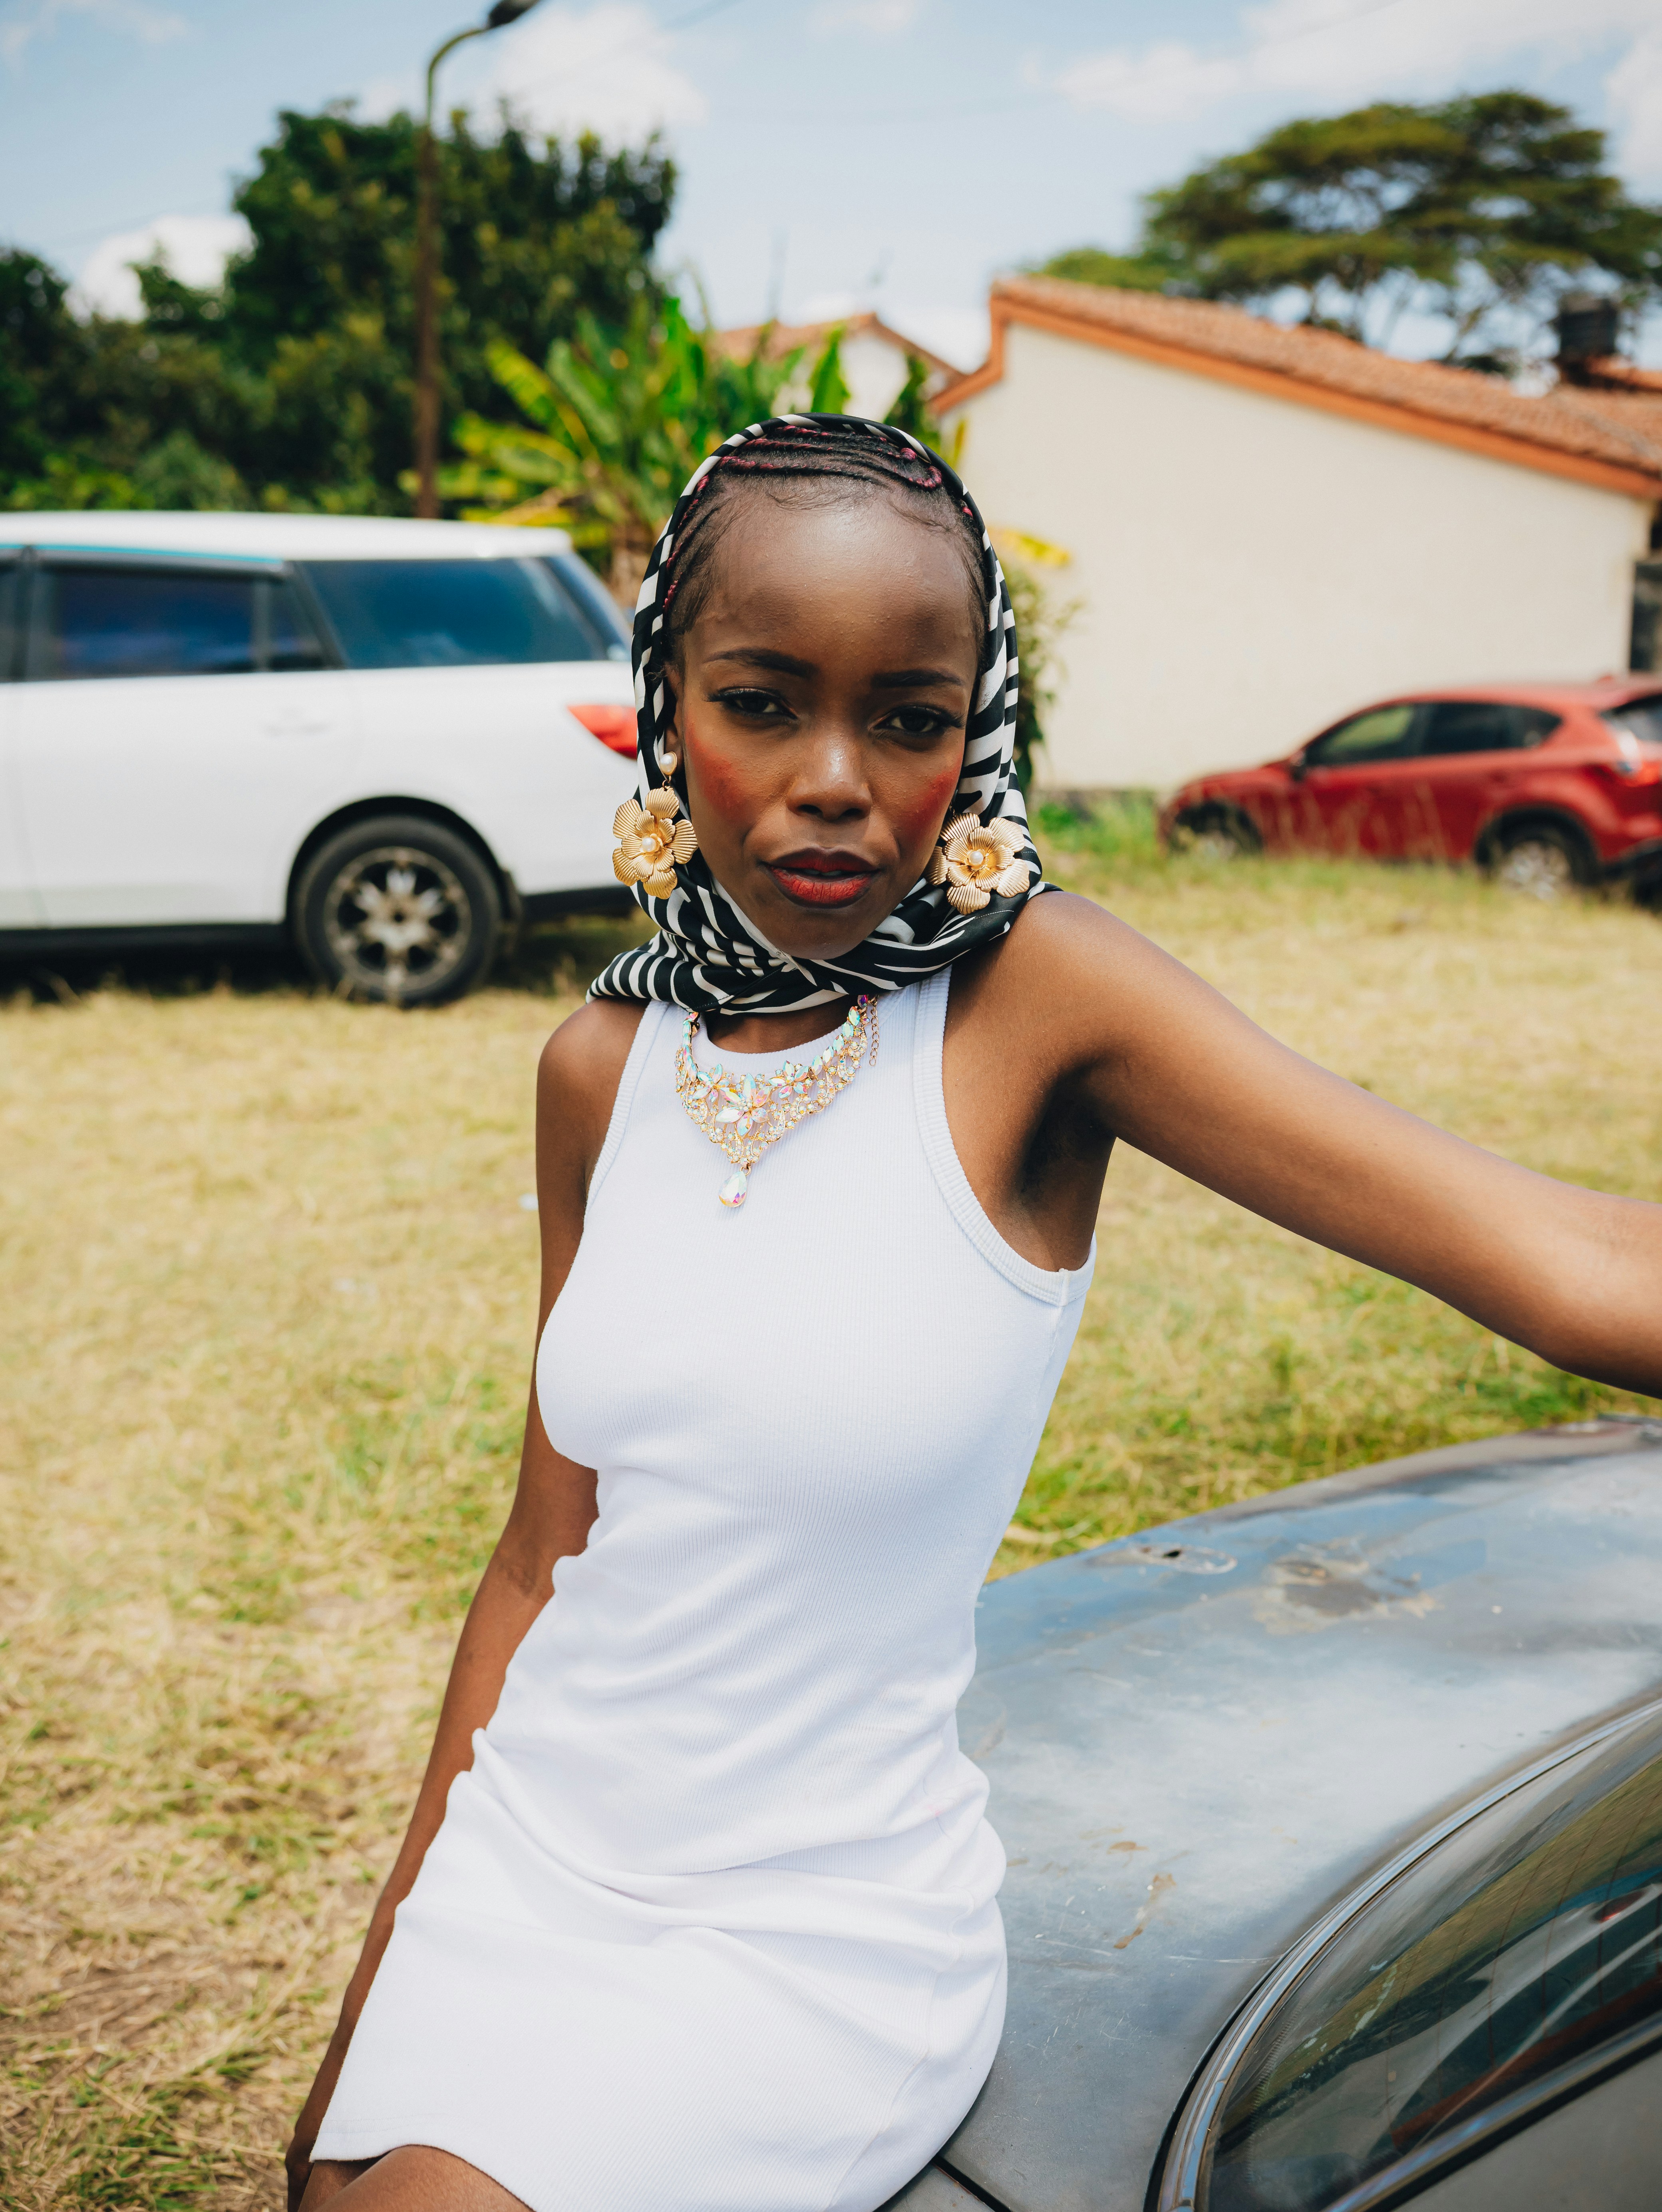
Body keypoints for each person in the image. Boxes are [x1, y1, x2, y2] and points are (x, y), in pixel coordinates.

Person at [286, 416, 1662, 2212]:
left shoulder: (1028, 1006)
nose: (838, 777)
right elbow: (543, 1558)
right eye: (763, 700)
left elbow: (1571, 1268)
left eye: (909, 716)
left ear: (976, 729)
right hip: (527, 1855)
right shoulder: (595, 1070)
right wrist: (384, 1979)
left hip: (802, 1937)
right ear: (663, 703)